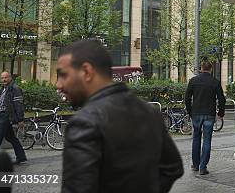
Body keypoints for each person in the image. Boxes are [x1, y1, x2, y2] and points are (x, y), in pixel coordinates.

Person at [56, 39, 183, 193]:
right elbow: (173, 167)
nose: (59, 84)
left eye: (63, 75)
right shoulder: (150, 112)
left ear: (86, 72)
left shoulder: (85, 122)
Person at [184, 61, 225, 175]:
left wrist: (190, 112)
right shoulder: (215, 82)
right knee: (207, 140)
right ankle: (203, 167)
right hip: (209, 114)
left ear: (201, 68)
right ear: (211, 69)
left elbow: (187, 98)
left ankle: (195, 165)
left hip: (196, 114)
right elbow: (222, 99)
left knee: (196, 138)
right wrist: (221, 113)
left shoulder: (193, 81)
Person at [0, 71, 27, 165]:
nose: (3, 79)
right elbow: (1, 101)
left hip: (6, 115)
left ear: (10, 78)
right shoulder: (3, 89)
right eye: (2, 78)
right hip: (0, 115)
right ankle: (21, 157)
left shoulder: (14, 88)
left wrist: (20, 119)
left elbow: (18, 104)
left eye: (5, 77)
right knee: (10, 137)